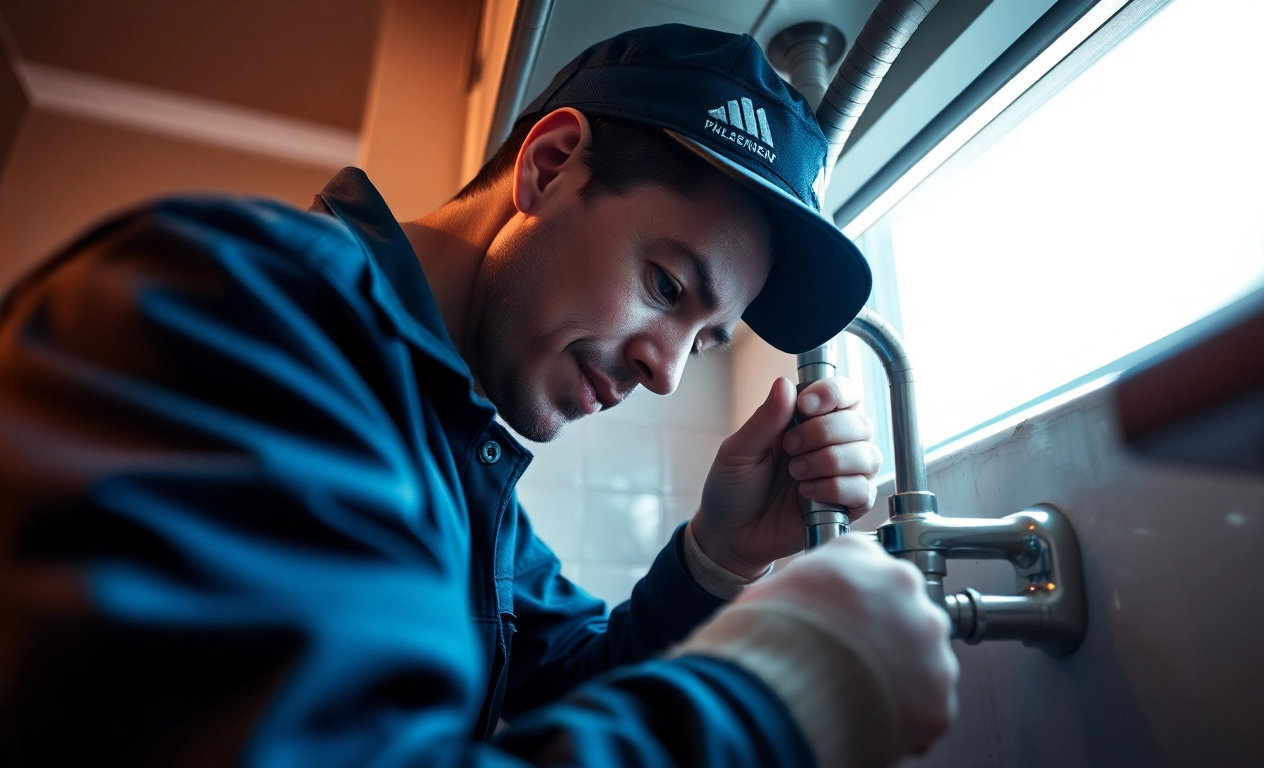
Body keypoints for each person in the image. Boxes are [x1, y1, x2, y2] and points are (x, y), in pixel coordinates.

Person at [0, 23, 958, 768]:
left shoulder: (455, 460)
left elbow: (563, 684)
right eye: (666, 286)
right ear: (549, 165)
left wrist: (719, 557)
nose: (665, 372)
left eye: (705, 343)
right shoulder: (241, 305)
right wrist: (783, 696)